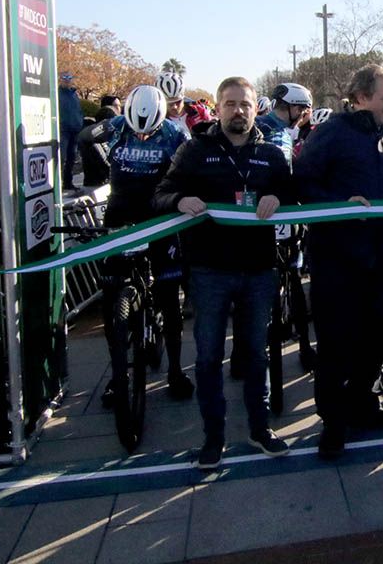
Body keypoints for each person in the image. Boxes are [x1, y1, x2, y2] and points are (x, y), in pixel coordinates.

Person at [153, 77, 293, 468]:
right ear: (217, 108)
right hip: (209, 270)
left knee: (256, 354)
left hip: (258, 269)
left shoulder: (272, 155)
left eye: (245, 104)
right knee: (209, 357)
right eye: (230, 104)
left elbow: (296, 196)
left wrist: (278, 196)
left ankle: (260, 428)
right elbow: (160, 193)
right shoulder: (194, 151)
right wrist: (180, 200)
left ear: (255, 108)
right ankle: (212, 437)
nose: (238, 111)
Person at [294, 65, 383, 459]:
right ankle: (333, 424)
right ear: (361, 98)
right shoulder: (332, 133)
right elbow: (302, 182)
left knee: (376, 340)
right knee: (336, 346)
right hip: (340, 260)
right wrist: (338, 206)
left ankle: (364, 407)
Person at [88, 85, 194, 408]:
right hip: (119, 215)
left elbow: (193, 167)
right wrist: (97, 166)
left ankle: (175, 370)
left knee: (168, 295)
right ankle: (116, 375)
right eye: (138, 132)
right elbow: (83, 138)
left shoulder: (176, 134)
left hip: (160, 216)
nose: (144, 138)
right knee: (111, 296)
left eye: (150, 133)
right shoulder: (117, 125)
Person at [256, 82, 312, 165]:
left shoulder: (256, 121)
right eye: (304, 113)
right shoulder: (279, 136)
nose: (301, 119)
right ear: (297, 110)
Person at [58, 72, 84, 186]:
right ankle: (59, 182)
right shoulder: (57, 94)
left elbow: (78, 110)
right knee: (62, 157)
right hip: (63, 129)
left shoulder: (74, 94)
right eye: (64, 79)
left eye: (69, 79)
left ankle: (68, 182)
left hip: (75, 129)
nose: (67, 81)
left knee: (71, 157)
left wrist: (80, 122)